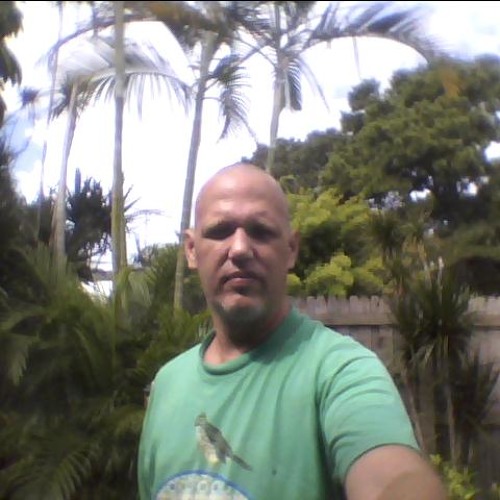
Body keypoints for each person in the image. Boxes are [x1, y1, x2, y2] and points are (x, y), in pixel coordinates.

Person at [138, 163, 447, 500]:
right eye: (221, 230)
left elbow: (393, 477)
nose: (239, 248)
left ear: (291, 250)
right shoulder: (167, 385)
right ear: (191, 250)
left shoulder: (341, 373)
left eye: (260, 231)